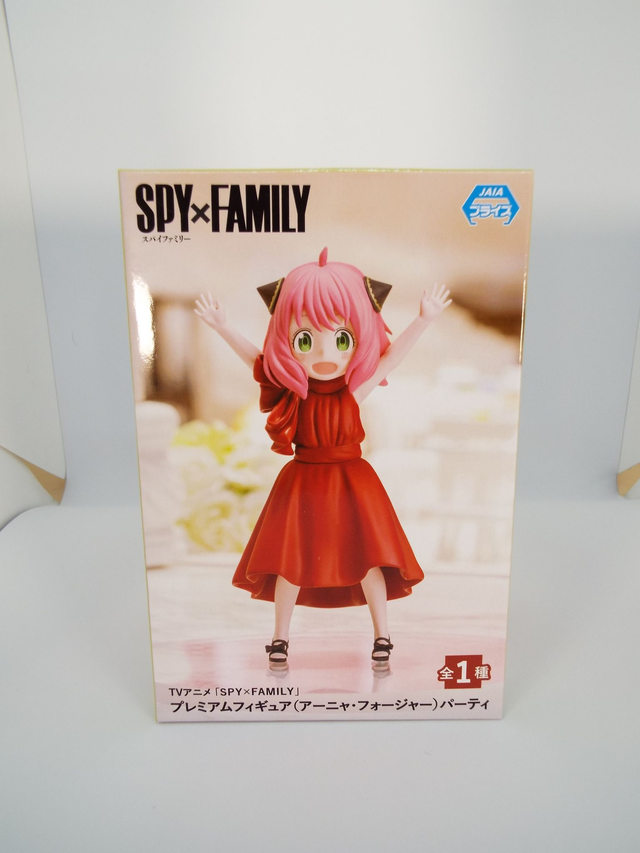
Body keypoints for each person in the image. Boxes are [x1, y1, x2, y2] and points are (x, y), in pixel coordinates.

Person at [195, 248, 451, 672]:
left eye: (343, 339)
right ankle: (280, 638)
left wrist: (423, 320)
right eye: (305, 340)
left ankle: (382, 635)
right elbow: (258, 363)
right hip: (304, 479)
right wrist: (223, 327)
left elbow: (391, 358)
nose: (325, 354)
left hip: (352, 480)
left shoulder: (352, 391)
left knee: (368, 558)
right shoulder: (292, 392)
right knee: (289, 562)